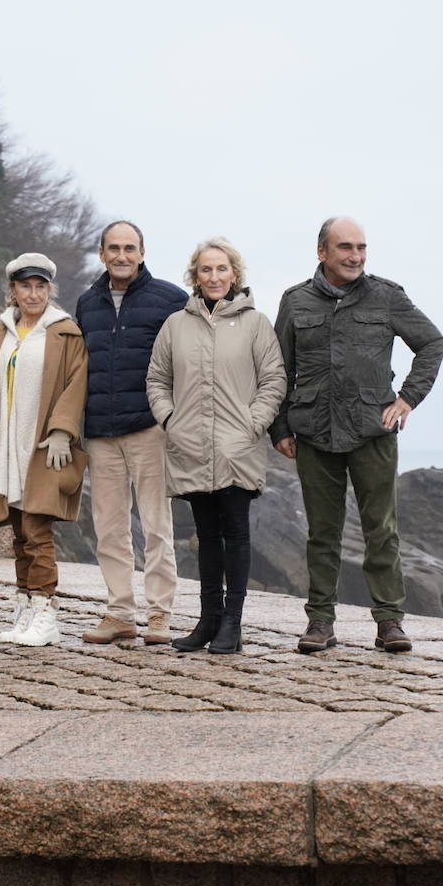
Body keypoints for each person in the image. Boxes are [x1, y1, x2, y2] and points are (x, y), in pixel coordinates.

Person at [270, 217, 443, 654]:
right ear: (322, 251)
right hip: (313, 431)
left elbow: (432, 343)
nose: (355, 256)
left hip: (373, 430)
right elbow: (277, 369)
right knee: (321, 532)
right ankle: (320, 622)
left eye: (362, 247)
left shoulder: (387, 296)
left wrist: (407, 399)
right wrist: (280, 427)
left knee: (380, 530)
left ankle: (389, 623)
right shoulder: (296, 302)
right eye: (345, 247)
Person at [146, 238, 285, 654]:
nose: (214, 277)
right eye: (206, 270)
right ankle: (207, 621)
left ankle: (232, 624)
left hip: (236, 448)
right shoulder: (176, 325)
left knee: (236, 535)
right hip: (189, 445)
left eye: (221, 269)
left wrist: (253, 424)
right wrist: (170, 420)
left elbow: (273, 380)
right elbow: (157, 380)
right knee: (205, 537)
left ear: (234, 274)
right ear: (195, 276)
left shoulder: (255, 324)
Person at [74, 220, 188, 645]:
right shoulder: (87, 304)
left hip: (150, 429)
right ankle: (120, 612)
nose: (121, 255)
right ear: (102, 254)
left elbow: (189, 360)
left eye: (129, 248)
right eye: (113, 248)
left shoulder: (171, 300)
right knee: (110, 527)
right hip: (101, 431)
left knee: (157, 525)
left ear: (142, 253)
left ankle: (159, 615)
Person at [0, 253, 88, 646]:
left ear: (49, 290)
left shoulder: (65, 333)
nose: (33, 293)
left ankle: (46, 610)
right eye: (25, 286)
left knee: (36, 528)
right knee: (18, 532)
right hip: (6, 445)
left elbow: (77, 383)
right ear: (13, 291)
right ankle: (25, 605)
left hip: (43, 445)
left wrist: (62, 430)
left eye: (40, 286)